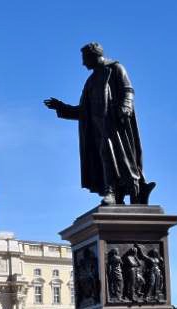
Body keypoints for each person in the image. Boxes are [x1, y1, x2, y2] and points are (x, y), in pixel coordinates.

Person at [44, 42, 154, 206]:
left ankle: (126, 191)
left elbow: (127, 90)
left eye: (84, 59)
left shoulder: (115, 68)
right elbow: (83, 111)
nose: (83, 63)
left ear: (93, 55)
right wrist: (62, 107)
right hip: (96, 128)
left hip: (114, 124)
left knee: (120, 159)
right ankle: (113, 192)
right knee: (104, 159)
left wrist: (125, 107)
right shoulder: (91, 81)